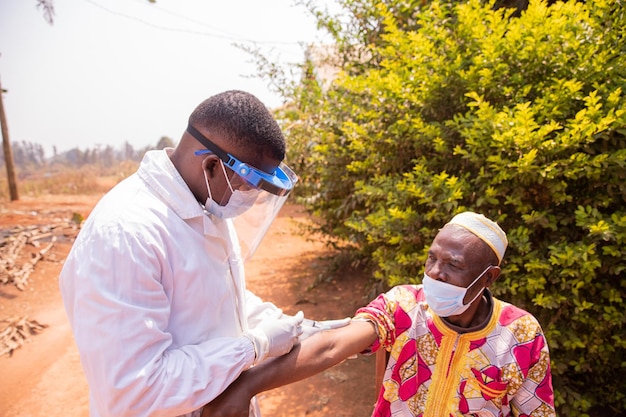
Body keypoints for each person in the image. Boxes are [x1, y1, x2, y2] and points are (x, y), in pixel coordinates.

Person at [59, 90, 348, 417]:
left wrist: (284, 324)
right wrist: (255, 346)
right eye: (247, 187)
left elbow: (212, 296)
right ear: (212, 166)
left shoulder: (206, 204)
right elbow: (135, 392)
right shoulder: (126, 235)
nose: (248, 200)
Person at [202, 211, 556, 417]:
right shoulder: (403, 306)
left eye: (453, 265)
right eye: (432, 258)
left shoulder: (521, 335)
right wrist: (247, 384)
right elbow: (331, 346)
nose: (434, 272)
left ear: (488, 276)